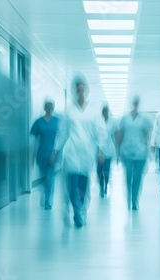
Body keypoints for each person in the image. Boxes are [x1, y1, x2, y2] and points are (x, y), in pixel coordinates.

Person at [54, 73, 107, 227]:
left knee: (83, 184)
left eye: (83, 89)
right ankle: (77, 210)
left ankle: (81, 209)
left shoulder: (94, 111)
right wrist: (55, 150)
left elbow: (101, 132)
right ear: (75, 91)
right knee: (72, 183)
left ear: (87, 91)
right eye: (78, 90)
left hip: (87, 152)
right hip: (71, 151)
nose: (81, 92)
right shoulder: (69, 110)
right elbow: (62, 132)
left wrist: (101, 150)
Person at [116, 96, 152, 210]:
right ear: (132, 103)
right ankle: (129, 196)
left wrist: (148, 151)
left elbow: (147, 137)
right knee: (128, 177)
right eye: (134, 102)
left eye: (137, 102)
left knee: (137, 178)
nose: (136, 104)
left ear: (139, 104)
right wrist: (117, 152)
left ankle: (134, 200)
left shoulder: (144, 119)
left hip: (140, 153)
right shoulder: (124, 119)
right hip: (126, 152)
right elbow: (120, 135)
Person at [30, 100, 59, 210]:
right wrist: (31, 158)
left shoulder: (57, 121)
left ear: (53, 108)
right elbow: (33, 140)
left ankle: (48, 200)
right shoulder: (38, 122)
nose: (48, 108)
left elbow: (61, 138)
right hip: (41, 153)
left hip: (53, 154)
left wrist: (56, 153)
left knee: (49, 177)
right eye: (47, 106)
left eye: (50, 106)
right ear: (44, 108)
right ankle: (44, 192)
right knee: (43, 177)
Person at [97, 105, 116, 197]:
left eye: (106, 111)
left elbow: (114, 136)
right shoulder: (98, 122)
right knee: (99, 171)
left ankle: (106, 185)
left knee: (106, 171)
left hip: (108, 150)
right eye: (103, 111)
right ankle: (101, 187)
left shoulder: (112, 122)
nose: (105, 113)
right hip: (99, 150)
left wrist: (117, 151)